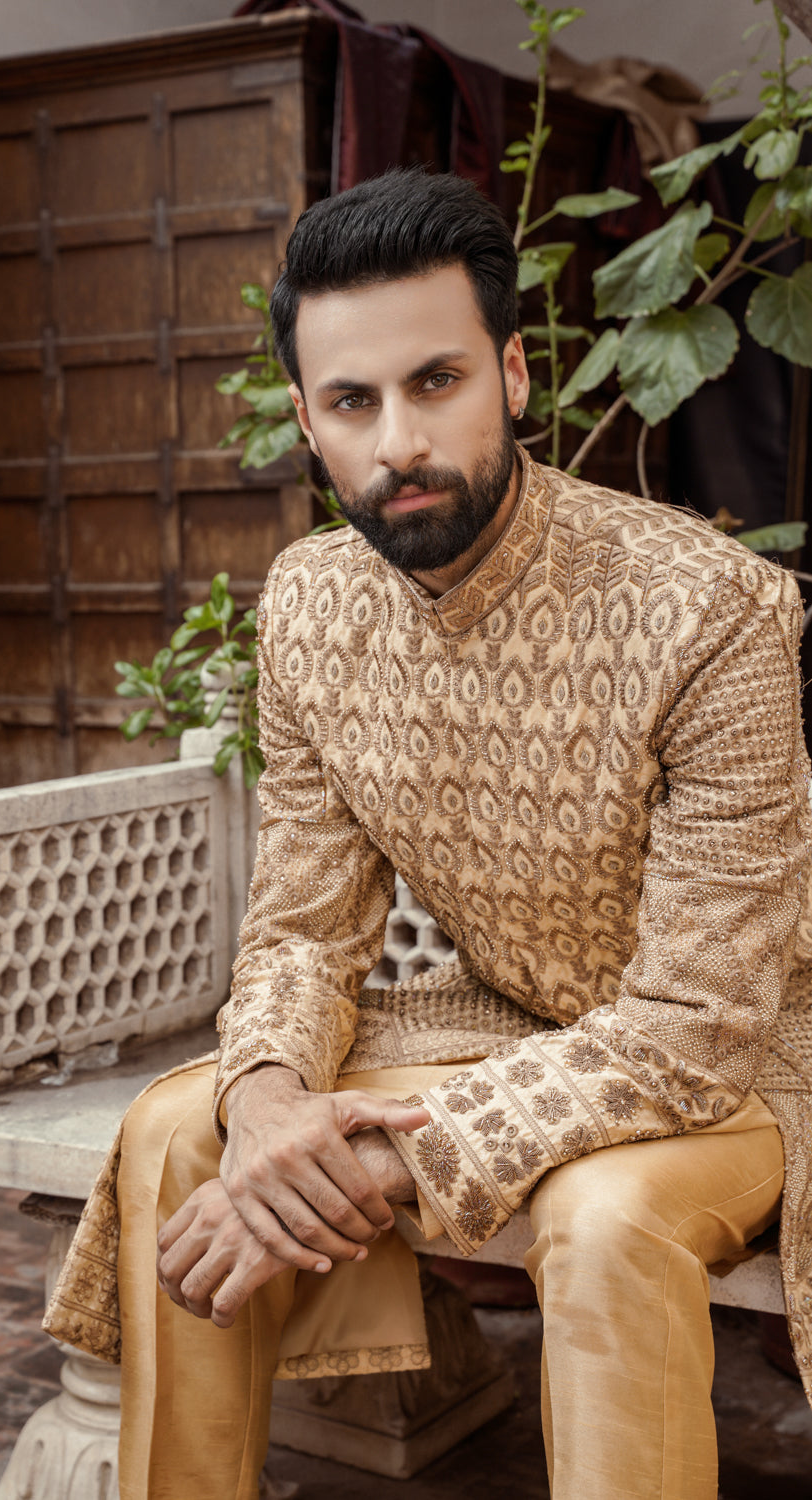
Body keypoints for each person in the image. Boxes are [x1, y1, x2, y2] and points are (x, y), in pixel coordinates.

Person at [46, 168, 812, 1500]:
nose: (397, 440)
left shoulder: (713, 610)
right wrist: (275, 1101)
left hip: (742, 1054)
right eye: (352, 401)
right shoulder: (306, 606)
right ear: (306, 420)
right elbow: (300, 922)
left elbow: (699, 1022)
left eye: (435, 382)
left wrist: (397, 1144)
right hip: (501, 1015)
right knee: (188, 1133)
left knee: (604, 1212)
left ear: (511, 376)